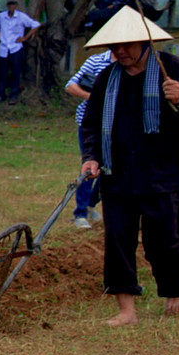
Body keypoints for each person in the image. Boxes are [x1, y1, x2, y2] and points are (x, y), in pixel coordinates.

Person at [79, 10, 179, 325]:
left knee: (166, 239)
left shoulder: (174, 70)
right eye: (115, 47)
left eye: (127, 45)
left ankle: (175, 292)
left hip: (164, 176)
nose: (120, 52)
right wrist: (91, 156)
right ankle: (127, 310)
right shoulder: (107, 79)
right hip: (117, 175)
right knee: (118, 241)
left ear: (145, 42)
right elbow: (91, 124)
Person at [65, 47, 112, 229]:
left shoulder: (131, 63)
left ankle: (92, 203)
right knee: (90, 167)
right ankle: (80, 212)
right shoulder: (96, 61)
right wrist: (93, 97)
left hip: (117, 125)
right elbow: (71, 85)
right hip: (91, 124)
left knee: (110, 168)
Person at [0, 0, 39, 100]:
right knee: (2, 73)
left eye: (13, 4)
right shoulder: (1, 16)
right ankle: (1, 94)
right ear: (7, 5)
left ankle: (14, 94)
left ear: (16, 6)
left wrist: (25, 38)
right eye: (10, 4)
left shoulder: (21, 16)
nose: (11, 6)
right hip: (4, 48)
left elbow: (35, 25)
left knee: (16, 72)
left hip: (16, 47)